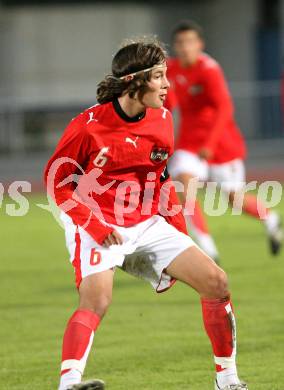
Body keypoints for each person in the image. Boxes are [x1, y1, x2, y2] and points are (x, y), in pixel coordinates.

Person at [44, 38, 248, 390]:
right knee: (97, 299)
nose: (168, 85)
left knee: (216, 282)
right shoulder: (88, 125)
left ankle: (227, 381)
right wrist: (93, 223)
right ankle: (68, 384)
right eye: (159, 76)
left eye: (167, 75)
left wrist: (178, 230)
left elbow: (161, 179)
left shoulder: (164, 120)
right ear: (134, 82)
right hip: (97, 220)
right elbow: (57, 183)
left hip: (145, 219)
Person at [166, 20, 283, 261]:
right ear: (175, 46)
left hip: (220, 143)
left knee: (234, 198)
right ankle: (208, 249)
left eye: (190, 42)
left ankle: (270, 219)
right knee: (184, 189)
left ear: (200, 44)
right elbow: (168, 103)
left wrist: (209, 144)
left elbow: (224, 108)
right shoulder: (171, 69)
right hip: (188, 141)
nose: (185, 47)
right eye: (180, 43)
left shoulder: (209, 69)